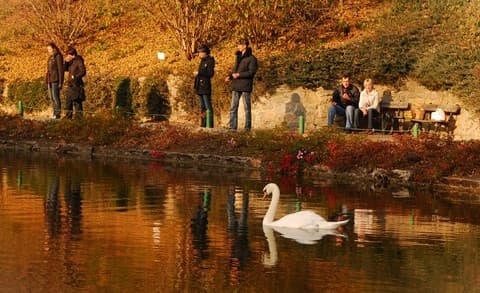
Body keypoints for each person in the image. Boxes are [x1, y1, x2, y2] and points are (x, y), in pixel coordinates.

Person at [225, 39, 258, 131]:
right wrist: (230, 77)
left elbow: (251, 72)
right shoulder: (238, 57)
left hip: (245, 86)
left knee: (247, 108)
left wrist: (239, 75)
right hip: (236, 85)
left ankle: (247, 127)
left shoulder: (252, 59)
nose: (238, 47)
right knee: (233, 107)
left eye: (239, 45)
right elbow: (235, 70)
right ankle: (232, 127)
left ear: (245, 46)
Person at [194, 45, 215, 127]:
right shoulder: (202, 61)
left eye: (200, 52)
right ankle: (203, 124)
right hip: (200, 86)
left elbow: (210, 73)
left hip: (205, 86)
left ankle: (209, 124)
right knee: (202, 106)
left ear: (205, 52)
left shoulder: (210, 61)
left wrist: (199, 73)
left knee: (207, 106)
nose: (199, 54)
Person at [63, 47, 86, 119]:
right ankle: (68, 116)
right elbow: (65, 69)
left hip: (77, 84)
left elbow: (83, 71)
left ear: (73, 55)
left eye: (68, 55)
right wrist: (66, 62)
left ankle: (79, 118)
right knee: (68, 101)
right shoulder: (71, 61)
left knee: (77, 101)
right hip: (70, 84)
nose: (67, 56)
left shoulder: (79, 60)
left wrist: (75, 76)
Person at [46, 42, 64, 119]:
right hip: (50, 79)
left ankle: (58, 113)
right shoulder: (50, 58)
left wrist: (61, 82)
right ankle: (54, 112)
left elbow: (60, 70)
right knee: (52, 97)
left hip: (56, 79)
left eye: (50, 49)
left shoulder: (58, 56)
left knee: (56, 97)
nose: (49, 51)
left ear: (54, 48)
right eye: (48, 49)